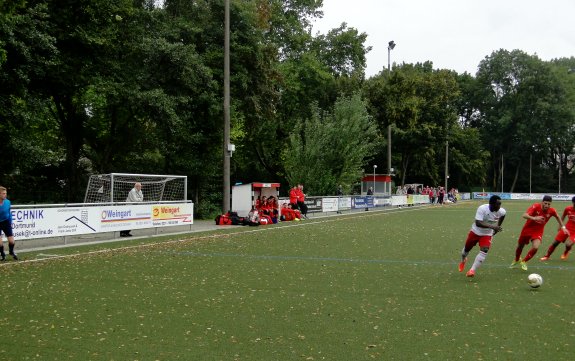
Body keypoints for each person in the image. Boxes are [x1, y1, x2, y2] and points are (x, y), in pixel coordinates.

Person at [511, 195, 567, 271]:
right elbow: (524, 215)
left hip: (538, 231)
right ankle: (517, 259)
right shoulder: (536, 206)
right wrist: (534, 218)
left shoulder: (552, 211)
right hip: (527, 230)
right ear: (542, 202)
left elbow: (558, 217)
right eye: (545, 203)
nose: (547, 205)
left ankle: (524, 261)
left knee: (535, 247)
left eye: (549, 204)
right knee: (520, 246)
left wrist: (563, 228)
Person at [459, 195, 506, 277]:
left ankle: (472, 270)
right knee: (466, 250)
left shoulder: (501, 211)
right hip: (475, 232)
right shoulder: (482, 208)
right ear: (491, 204)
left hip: (487, 234)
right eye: (498, 204)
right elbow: (478, 223)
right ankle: (463, 260)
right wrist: (493, 226)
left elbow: (503, 215)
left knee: (485, 249)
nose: (499, 206)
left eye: (500, 204)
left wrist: (497, 227)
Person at [540, 195, 575, 261]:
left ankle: (566, 252)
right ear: (573, 203)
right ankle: (547, 256)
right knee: (555, 242)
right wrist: (560, 226)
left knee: (568, 244)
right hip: (567, 228)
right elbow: (563, 216)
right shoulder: (568, 209)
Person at [0, 186, 18, 261]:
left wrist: (10, 222)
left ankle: (11, 252)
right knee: (0, 243)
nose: (5, 195)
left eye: (6, 193)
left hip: (6, 221)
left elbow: (9, 212)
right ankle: (2, 254)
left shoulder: (8, 202)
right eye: (3, 193)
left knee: (11, 241)